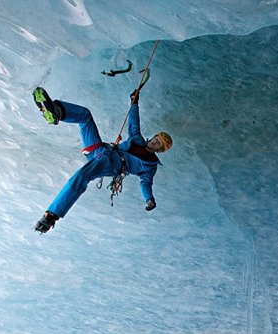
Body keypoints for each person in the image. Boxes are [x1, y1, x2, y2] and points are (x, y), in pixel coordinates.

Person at [32, 87, 173, 233]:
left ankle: (51, 216)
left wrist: (149, 199)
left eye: (158, 144)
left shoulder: (150, 166)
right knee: (85, 116)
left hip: (111, 164)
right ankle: (56, 111)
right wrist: (135, 102)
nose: (154, 142)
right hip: (101, 150)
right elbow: (133, 122)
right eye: (156, 139)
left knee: (82, 176)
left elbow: (146, 184)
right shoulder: (137, 139)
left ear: (159, 150)